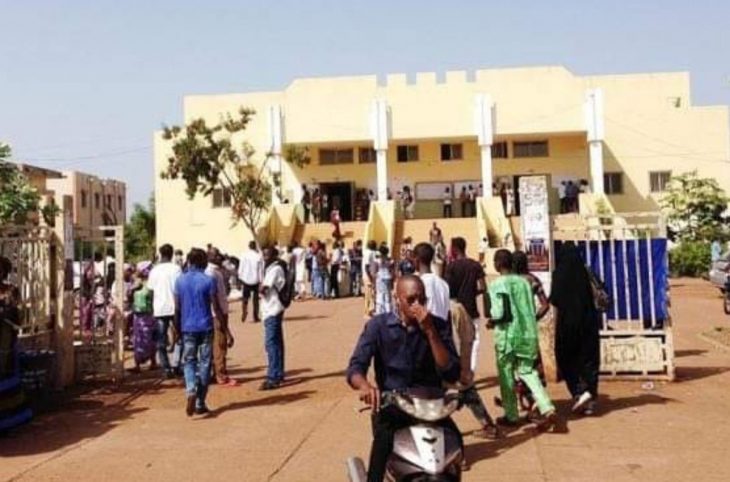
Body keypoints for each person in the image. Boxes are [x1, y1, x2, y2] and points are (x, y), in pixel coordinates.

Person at [346, 275, 461, 482]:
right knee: (383, 443)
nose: (417, 305)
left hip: (431, 408)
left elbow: (450, 370)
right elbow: (356, 366)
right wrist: (365, 386)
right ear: (396, 298)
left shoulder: (439, 325)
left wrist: (430, 331)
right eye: (411, 300)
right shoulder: (378, 326)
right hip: (393, 406)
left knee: (456, 443)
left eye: (422, 299)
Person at [487, 249, 557, 430]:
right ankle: (546, 407)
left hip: (507, 337)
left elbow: (501, 313)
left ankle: (511, 415)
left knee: (506, 376)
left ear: (497, 264)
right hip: (527, 335)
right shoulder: (526, 282)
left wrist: (492, 321)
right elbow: (540, 305)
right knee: (528, 373)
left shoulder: (497, 285)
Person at [550, 243, 600, 415]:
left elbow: (554, 300)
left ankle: (578, 391)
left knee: (566, 357)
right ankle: (590, 395)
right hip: (589, 321)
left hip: (567, 324)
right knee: (589, 359)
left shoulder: (559, 273)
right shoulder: (585, 271)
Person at [174, 248, 225, 416]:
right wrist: (225, 328)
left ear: (189, 261)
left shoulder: (180, 281)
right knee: (205, 364)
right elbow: (216, 307)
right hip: (205, 326)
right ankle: (200, 401)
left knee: (189, 361)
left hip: (187, 326)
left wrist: (175, 329)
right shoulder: (208, 280)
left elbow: (177, 308)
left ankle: (190, 389)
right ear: (203, 262)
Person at [444, 237, 489, 374]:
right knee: (474, 340)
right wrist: (471, 292)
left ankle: (461, 371)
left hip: (456, 306)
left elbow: (448, 290)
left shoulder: (451, 267)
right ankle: (471, 370)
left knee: (459, 340)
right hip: (471, 308)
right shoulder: (475, 265)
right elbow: (483, 287)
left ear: (455, 249)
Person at [0, 257, 32, 432]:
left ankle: (11, 421)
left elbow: (19, 316)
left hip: (6, 340)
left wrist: (5, 312)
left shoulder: (11, 291)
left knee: (6, 375)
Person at [148, 244, 183, 378]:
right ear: (172, 253)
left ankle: (166, 368)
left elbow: (151, 291)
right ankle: (177, 364)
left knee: (161, 341)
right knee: (180, 337)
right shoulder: (176, 269)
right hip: (175, 307)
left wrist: (152, 308)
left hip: (160, 308)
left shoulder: (154, 270)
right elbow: (179, 289)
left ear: (160, 254)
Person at [206, 248, 236, 387]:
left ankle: (215, 372)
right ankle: (221, 375)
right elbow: (214, 300)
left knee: (215, 345)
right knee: (220, 345)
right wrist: (226, 327)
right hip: (217, 314)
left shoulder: (214, 272)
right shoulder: (212, 273)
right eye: (216, 255)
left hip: (215, 313)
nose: (220, 257)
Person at [260, 246, 287, 390]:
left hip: (272, 309)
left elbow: (264, 288)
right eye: (263, 255)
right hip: (272, 308)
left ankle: (273, 376)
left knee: (271, 343)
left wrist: (259, 288)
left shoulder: (275, 269)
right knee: (276, 342)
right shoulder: (272, 268)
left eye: (267, 255)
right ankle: (278, 372)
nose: (265, 258)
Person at [130, 267, 158, 372]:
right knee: (137, 340)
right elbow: (128, 298)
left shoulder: (149, 286)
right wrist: (133, 288)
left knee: (149, 339)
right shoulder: (134, 287)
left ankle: (153, 362)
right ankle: (137, 364)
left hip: (148, 315)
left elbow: (153, 298)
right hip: (137, 316)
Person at [513, 251, 550, 321]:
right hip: (529, 324)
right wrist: (535, 319)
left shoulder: (509, 281)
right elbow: (545, 305)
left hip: (513, 325)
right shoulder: (533, 280)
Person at [238, 241, 264, 323]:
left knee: (245, 298)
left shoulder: (243, 255)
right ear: (255, 247)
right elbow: (261, 270)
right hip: (255, 279)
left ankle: (244, 311)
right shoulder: (258, 256)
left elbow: (241, 267)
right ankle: (255, 316)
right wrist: (261, 280)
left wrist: (240, 276)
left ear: (249, 246)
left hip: (246, 279)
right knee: (255, 299)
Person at [373, 245, 394, 315]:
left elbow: (374, 271)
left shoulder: (377, 260)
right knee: (388, 295)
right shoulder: (390, 260)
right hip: (388, 277)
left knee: (380, 295)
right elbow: (392, 270)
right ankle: (388, 311)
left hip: (380, 278)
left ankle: (379, 312)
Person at [363, 240, 378, 316]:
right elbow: (366, 266)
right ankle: (366, 312)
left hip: (372, 275)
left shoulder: (372, 253)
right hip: (368, 276)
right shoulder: (368, 253)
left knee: (373, 294)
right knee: (368, 294)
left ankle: (372, 309)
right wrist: (370, 276)